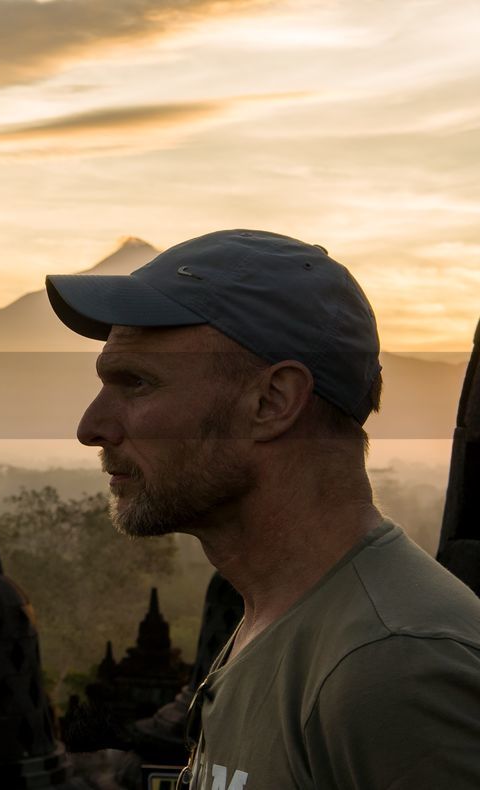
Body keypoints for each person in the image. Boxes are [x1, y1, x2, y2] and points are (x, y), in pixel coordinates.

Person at [44, 229, 480, 789]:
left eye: (137, 384)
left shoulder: (395, 664)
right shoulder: (274, 618)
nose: (91, 428)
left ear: (272, 402)